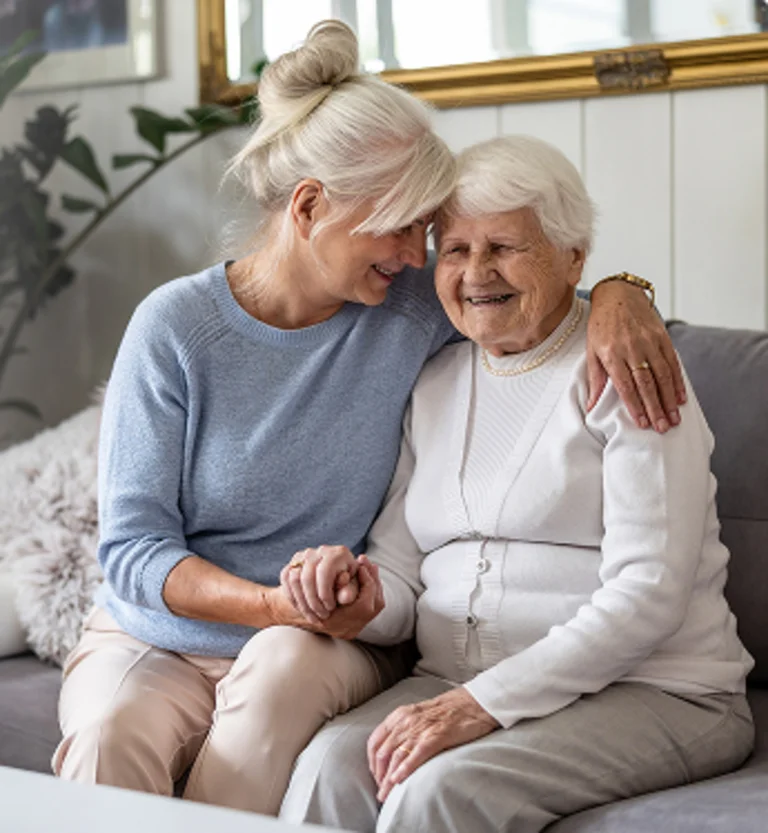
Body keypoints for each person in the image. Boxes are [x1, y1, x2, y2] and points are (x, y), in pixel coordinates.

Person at [53, 20, 685, 817]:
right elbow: (134, 552)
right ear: (310, 206)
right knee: (109, 734)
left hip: (324, 634)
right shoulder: (174, 328)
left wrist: (627, 292)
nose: (418, 255)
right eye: (399, 225)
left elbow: (542, 299)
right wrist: (268, 603)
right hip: (159, 631)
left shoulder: (408, 304)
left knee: (277, 680)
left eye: (425, 229)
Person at [278, 136, 754, 833]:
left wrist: (481, 705)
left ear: (574, 257)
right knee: (328, 764)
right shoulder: (434, 382)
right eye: (456, 248)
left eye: (504, 246)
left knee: (437, 791)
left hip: (656, 690)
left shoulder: (626, 368)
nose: (476, 272)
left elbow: (648, 589)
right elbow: (402, 574)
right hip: (457, 682)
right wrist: (357, 594)